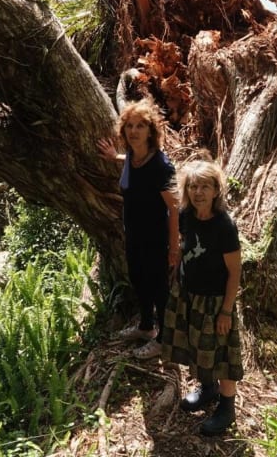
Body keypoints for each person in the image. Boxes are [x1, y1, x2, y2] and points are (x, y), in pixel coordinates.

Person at [161, 160, 243, 436]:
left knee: (223, 354)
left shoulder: (224, 226)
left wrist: (226, 312)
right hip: (190, 295)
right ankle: (208, 390)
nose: (198, 192)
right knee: (198, 346)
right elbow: (186, 245)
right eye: (193, 186)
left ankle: (226, 408)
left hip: (216, 301)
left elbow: (234, 272)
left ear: (216, 190)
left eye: (205, 186)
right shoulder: (187, 215)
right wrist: (178, 272)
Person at [98, 99, 179, 360]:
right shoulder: (133, 156)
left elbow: (174, 208)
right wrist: (114, 157)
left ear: (151, 130)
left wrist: (174, 247)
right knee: (138, 279)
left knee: (158, 288)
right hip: (133, 234)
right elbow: (131, 164)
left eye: (141, 126)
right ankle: (146, 326)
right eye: (130, 126)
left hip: (155, 238)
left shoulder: (160, 166)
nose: (134, 131)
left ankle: (164, 340)